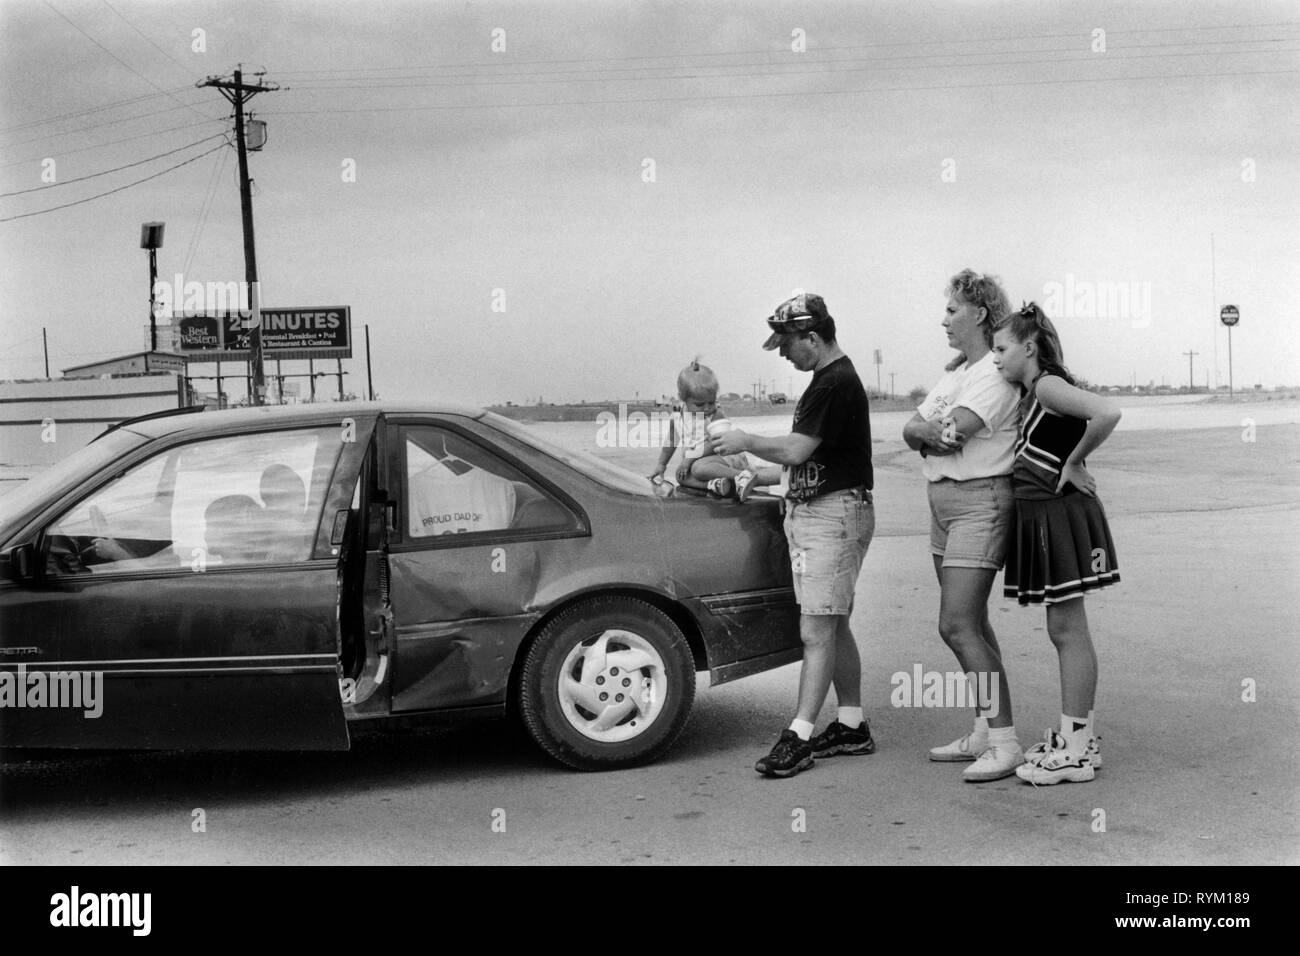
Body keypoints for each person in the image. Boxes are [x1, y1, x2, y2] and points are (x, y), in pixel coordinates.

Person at [710, 293, 875, 778]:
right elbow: (820, 459)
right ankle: (851, 725)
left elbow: (799, 450)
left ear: (812, 336)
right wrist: (756, 476)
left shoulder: (835, 382)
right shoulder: (827, 380)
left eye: (787, 343)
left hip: (833, 517)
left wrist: (746, 442)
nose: (783, 353)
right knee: (833, 621)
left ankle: (798, 735)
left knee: (816, 629)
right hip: (822, 513)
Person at [902, 269, 1025, 782]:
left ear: (978, 313)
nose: (945, 320)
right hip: (943, 502)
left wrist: (928, 434)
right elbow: (912, 429)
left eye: (953, 310)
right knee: (972, 624)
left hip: (980, 501)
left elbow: (951, 433)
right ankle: (984, 730)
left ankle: (1005, 742)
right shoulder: (955, 375)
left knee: (954, 624)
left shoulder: (994, 376)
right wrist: (926, 433)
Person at [991, 302, 1121, 785]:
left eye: (1002, 348)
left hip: (1058, 511)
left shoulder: (1046, 384)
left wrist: (1074, 460)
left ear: (1029, 346)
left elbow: (1108, 411)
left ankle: (1078, 749)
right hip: (1043, 515)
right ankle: (1075, 737)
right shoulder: (1030, 391)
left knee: (1068, 630)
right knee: (1063, 629)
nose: (997, 358)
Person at [649, 359, 753, 498]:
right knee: (681, 476)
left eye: (711, 402)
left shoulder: (715, 415)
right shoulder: (677, 417)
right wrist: (661, 464)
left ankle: (743, 476)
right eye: (699, 404)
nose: (707, 408)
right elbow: (671, 443)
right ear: (682, 398)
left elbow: (718, 444)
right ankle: (717, 485)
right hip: (697, 463)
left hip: (726, 459)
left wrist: (688, 460)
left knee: (699, 468)